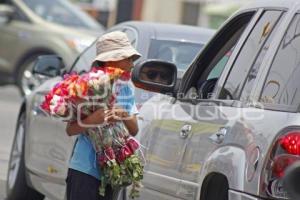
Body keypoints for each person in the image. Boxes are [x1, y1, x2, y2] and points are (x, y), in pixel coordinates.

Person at [65, 31, 141, 200]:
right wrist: (93, 120)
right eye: (128, 58)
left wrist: (122, 114)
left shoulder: (126, 88)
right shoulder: (87, 87)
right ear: (111, 60)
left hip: (113, 173)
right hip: (84, 171)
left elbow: (134, 129)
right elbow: (70, 129)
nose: (132, 64)